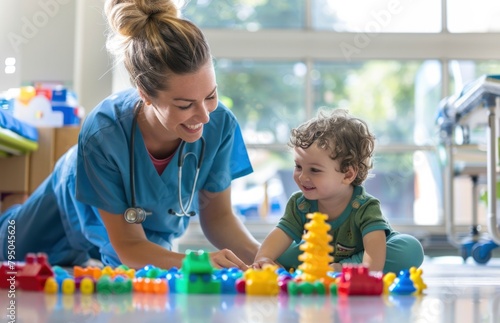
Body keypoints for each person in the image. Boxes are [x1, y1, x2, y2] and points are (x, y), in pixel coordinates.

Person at [0, 0, 260, 270]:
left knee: (131, 283)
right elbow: (129, 245)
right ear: (145, 94)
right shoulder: (103, 134)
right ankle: (11, 208)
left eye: (211, 96)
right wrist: (199, 262)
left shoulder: (220, 126)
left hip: (139, 238)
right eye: (184, 105)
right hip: (68, 206)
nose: (204, 116)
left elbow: (218, 218)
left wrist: (263, 257)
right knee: (11, 253)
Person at [252, 109, 424, 274]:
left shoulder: (365, 207)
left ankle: (344, 268)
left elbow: (374, 255)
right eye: (298, 166)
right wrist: (264, 258)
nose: (302, 177)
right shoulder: (300, 204)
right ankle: (320, 267)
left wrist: (353, 270)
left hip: (366, 256)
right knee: (282, 249)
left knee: (410, 249)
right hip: (321, 254)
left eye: (315, 170)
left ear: (348, 174)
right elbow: (281, 234)